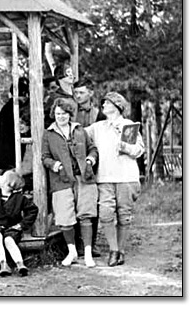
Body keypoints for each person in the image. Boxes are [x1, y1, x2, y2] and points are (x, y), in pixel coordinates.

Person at [85, 92, 144, 267]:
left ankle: (121, 251)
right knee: (106, 213)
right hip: (104, 177)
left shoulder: (127, 126)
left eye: (107, 103)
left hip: (125, 176)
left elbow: (137, 151)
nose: (103, 106)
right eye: (103, 103)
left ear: (118, 106)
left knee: (124, 215)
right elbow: (79, 135)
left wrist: (124, 145)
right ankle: (113, 250)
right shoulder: (97, 127)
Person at [42, 98, 99, 268]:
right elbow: (44, 157)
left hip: (84, 178)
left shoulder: (80, 130)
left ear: (69, 114)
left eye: (64, 113)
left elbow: (93, 149)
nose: (61, 117)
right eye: (58, 114)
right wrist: (54, 165)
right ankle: (72, 251)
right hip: (61, 180)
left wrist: (90, 160)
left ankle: (88, 253)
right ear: (54, 114)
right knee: (65, 218)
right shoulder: (49, 134)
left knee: (86, 215)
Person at [0, 170, 38, 277]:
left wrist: (21, 225)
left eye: (3, 176)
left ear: (8, 184)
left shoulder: (19, 198)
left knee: (9, 240)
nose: (0, 176)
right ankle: (3, 264)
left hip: (11, 228)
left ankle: (20, 264)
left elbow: (32, 210)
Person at [72, 77, 105, 257]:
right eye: (75, 92)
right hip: (72, 164)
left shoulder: (99, 114)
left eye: (82, 92)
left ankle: (90, 244)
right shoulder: (70, 112)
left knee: (93, 204)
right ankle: (76, 243)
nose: (78, 96)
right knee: (74, 202)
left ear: (90, 93)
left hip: (93, 161)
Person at [0, 77, 32, 187]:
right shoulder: (17, 109)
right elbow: (22, 129)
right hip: (13, 156)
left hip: (5, 156)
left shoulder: (6, 108)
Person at [44, 63, 77, 127]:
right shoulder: (53, 98)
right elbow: (48, 120)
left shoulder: (77, 94)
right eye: (67, 72)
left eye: (71, 72)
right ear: (59, 76)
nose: (71, 75)